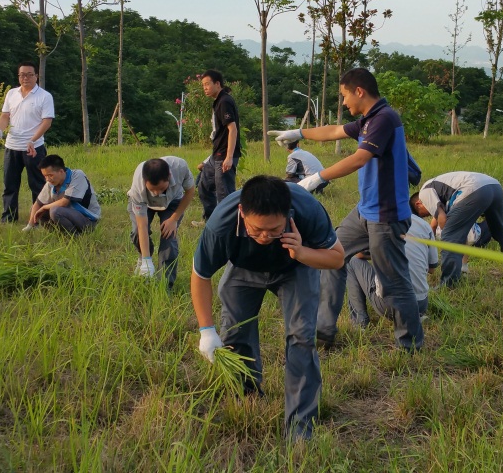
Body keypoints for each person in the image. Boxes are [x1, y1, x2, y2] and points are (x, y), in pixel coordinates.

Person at [267, 68, 425, 352]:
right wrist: (298, 132)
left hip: (386, 215)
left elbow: (359, 159)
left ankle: (410, 344)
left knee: (394, 282)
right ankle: (325, 329)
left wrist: (317, 178)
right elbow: (333, 131)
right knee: (332, 255)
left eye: (344, 95)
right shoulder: (369, 119)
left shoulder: (385, 119)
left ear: (359, 91)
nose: (343, 102)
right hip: (365, 211)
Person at [191, 176, 343, 441]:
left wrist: (302, 253)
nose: (265, 236)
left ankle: (300, 426)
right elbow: (200, 275)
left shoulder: (307, 209)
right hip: (244, 269)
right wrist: (206, 330)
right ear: (242, 212)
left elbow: (337, 258)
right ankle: (247, 395)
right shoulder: (221, 223)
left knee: (301, 337)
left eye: (274, 230)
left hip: (296, 268)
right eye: (257, 229)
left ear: (287, 214)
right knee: (235, 332)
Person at [411, 171, 503, 286]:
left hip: (474, 189)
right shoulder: (440, 189)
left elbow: (442, 218)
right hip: (495, 186)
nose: (428, 215)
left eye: (423, 215)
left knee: (450, 237)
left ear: (418, 204)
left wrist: (449, 239)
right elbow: (437, 221)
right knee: (501, 232)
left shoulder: (424, 192)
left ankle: (449, 284)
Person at [345, 217, 438, 327]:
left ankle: (359, 322)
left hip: (389, 306)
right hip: (421, 304)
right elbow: (431, 269)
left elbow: (359, 255)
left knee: (352, 261)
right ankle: (414, 316)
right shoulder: (424, 225)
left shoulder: (379, 223)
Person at [0, 61, 55, 223]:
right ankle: (9, 218)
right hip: (12, 146)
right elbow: (5, 116)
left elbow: (47, 122)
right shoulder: (11, 94)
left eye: (29, 75)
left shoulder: (44, 96)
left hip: (34, 148)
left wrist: (32, 139)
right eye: (22, 75)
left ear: (36, 76)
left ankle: (40, 219)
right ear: (18, 76)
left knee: (38, 185)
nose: (25, 78)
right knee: (10, 185)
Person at [127, 156, 196, 285]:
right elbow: (142, 226)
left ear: (169, 176)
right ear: (145, 181)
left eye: (161, 188)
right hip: (145, 203)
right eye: (152, 189)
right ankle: (144, 260)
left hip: (172, 201)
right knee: (137, 232)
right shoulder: (138, 186)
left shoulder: (180, 167)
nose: (157, 193)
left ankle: (165, 284)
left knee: (169, 237)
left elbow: (190, 191)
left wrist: (174, 219)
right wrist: (147, 260)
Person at [197, 69, 240, 220]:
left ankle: (228, 224)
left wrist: (229, 157)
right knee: (204, 186)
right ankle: (211, 220)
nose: (205, 88)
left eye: (207, 84)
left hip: (224, 154)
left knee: (224, 194)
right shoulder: (218, 101)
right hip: (216, 154)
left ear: (217, 84)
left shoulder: (225, 101)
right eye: (203, 85)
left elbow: (232, 129)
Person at [28, 154, 100, 234]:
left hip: (88, 220)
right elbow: (38, 203)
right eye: (45, 176)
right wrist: (30, 225)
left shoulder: (77, 175)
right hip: (68, 215)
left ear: (61, 171)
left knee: (55, 211)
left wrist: (44, 207)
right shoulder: (50, 183)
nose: (47, 179)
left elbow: (64, 202)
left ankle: (75, 237)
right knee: (37, 211)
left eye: (50, 175)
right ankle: (59, 234)